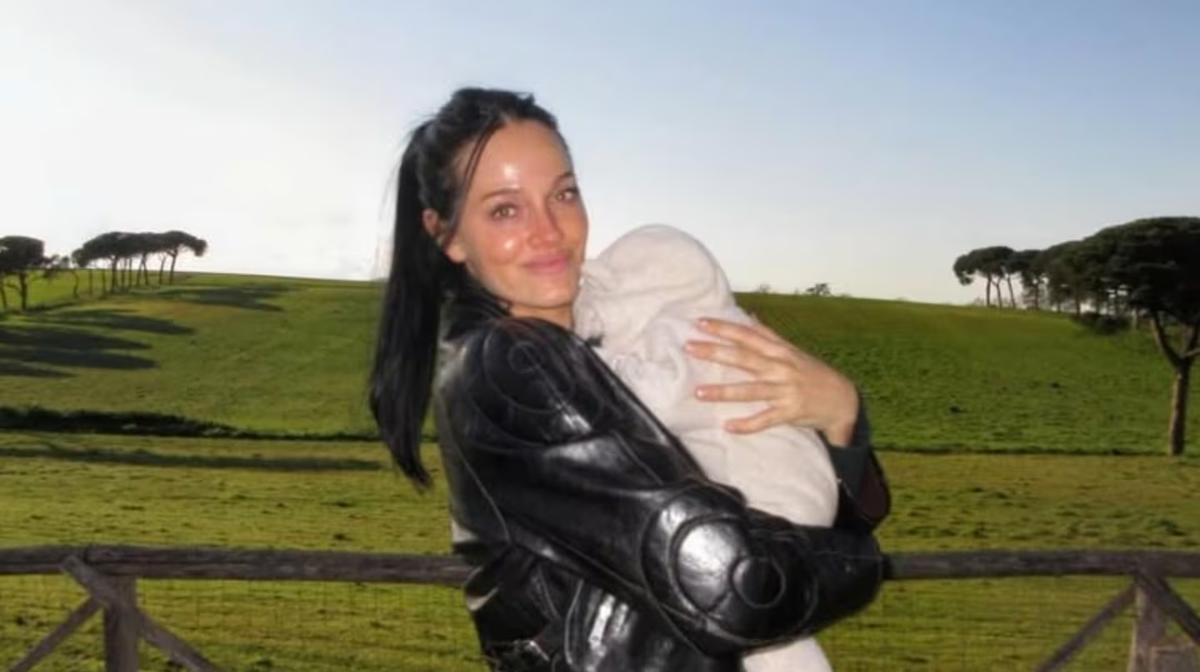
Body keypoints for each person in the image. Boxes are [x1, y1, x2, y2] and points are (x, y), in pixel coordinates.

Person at [370, 87, 890, 672]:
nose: (549, 230)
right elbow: (736, 584)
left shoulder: (621, 332)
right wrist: (864, 562)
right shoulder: (512, 368)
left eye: (563, 194)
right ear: (447, 235)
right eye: (505, 210)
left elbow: (792, 522)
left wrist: (840, 415)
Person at [574, 223, 849, 672]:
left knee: (750, 624)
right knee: (767, 632)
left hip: (768, 500)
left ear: (637, 291)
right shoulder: (726, 325)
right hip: (798, 493)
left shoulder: (689, 331)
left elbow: (652, 398)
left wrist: (586, 360)